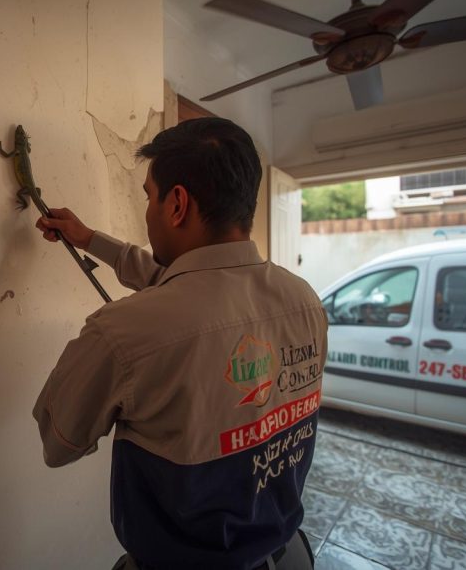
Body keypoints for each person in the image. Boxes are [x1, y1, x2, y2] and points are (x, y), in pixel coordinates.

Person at [32, 117, 327, 570]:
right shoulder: (303, 300)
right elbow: (189, 288)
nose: (147, 210)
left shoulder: (124, 331)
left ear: (177, 204)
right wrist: (90, 239)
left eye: (149, 196)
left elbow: (60, 442)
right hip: (286, 557)